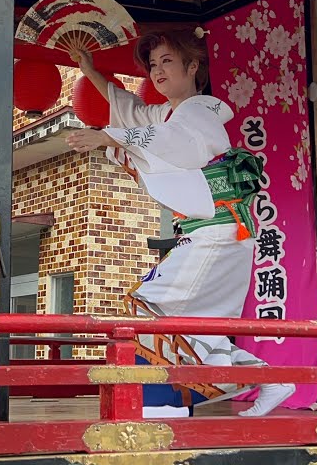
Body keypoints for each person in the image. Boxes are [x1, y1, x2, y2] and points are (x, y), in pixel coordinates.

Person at [66, 29, 295, 419]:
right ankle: (264, 378)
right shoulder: (166, 114)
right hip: (202, 233)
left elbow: (170, 140)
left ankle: (166, 403)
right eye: (153, 64)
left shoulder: (201, 111)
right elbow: (127, 105)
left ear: (193, 67)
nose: (157, 71)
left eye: (167, 61)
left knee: (149, 307)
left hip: (220, 230)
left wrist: (106, 135)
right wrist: (89, 70)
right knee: (180, 324)